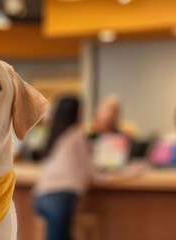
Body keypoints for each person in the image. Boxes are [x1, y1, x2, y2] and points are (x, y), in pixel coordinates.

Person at [34, 95, 139, 240]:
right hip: (60, 199)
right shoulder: (77, 135)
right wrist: (125, 175)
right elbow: (93, 174)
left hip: (40, 198)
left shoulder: (55, 135)